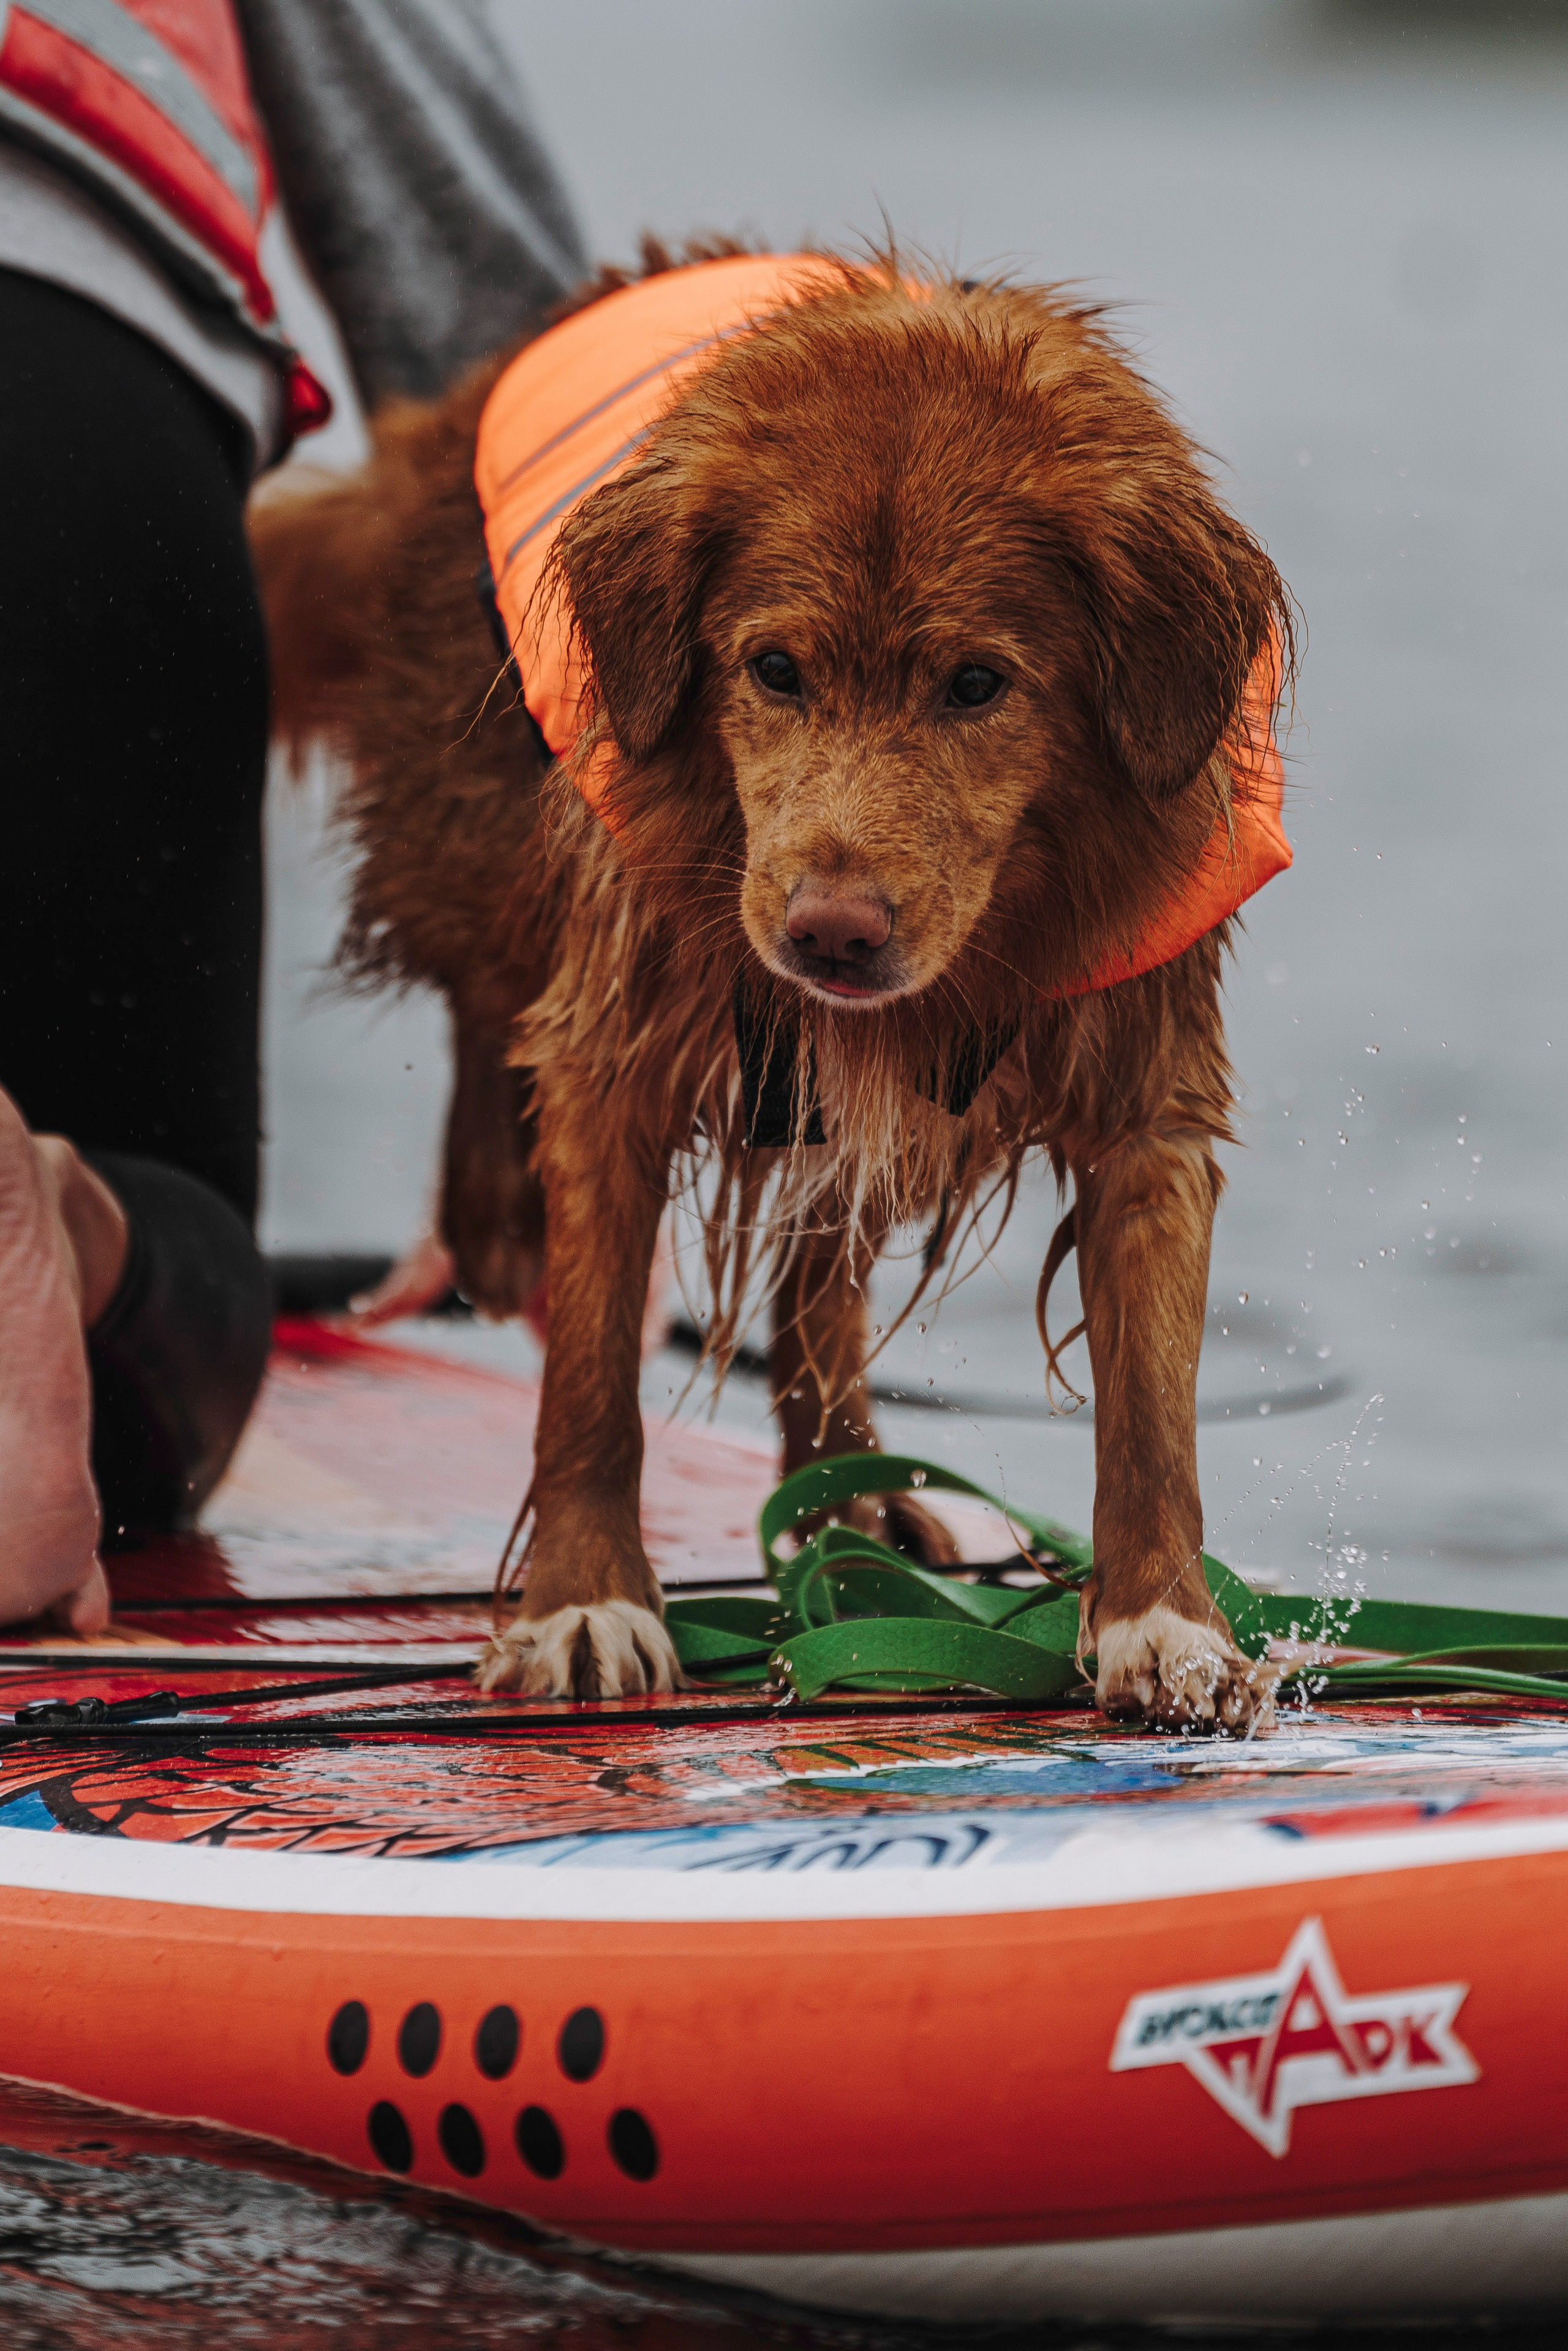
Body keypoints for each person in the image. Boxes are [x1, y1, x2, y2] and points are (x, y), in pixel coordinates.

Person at [0, 0, 585, 1631]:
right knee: (151, 1401)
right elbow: (510, 368)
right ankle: (67, 1220)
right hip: (80, 371)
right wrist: (547, 1054)